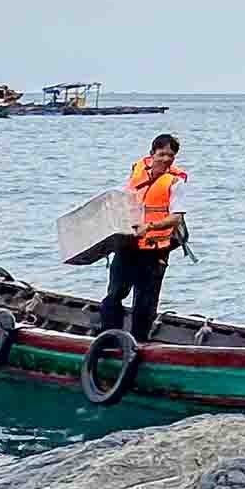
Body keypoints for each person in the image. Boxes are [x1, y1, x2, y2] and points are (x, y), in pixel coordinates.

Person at [98, 133, 186, 343]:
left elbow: (176, 218)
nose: (166, 159)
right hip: (128, 244)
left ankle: (139, 343)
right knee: (114, 294)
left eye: (170, 156)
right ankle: (109, 338)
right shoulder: (138, 171)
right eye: (162, 154)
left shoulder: (176, 183)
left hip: (156, 248)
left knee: (145, 301)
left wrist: (150, 226)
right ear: (152, 153)